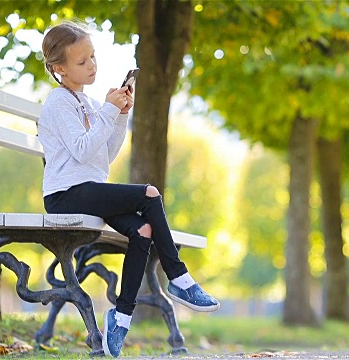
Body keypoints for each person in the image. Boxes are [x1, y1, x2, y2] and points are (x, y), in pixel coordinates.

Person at [38, 21, 219, 357]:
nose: (92, 65)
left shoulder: (88, 102)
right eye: (82, 62)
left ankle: (120, 318)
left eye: (93, 57)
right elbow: (80, 150)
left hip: (90, 189)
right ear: (58, 68)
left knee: (144, 230)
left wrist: (118, 116)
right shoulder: (58, 102)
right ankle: (179, 278)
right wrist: (108, 111)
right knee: (149, 193)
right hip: (66, 195)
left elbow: (103, 156)